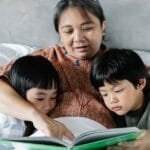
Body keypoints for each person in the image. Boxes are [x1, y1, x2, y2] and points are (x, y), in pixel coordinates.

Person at [0, 0, 115, 139]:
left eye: (87, 28)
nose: (78, 38)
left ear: (103, 27)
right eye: (68, 31)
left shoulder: (120, 63)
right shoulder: (43, 58)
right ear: (59, 33)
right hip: (48, 136)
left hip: (99, 137)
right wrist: (35, 116)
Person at [90, 49, 150, 149]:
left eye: (118, 91)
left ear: (140, 83)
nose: (112, 100)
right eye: (105, 94)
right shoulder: (108, 114)